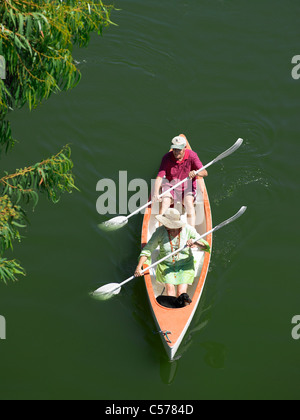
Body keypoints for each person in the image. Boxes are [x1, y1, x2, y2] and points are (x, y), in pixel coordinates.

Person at [134, 208, 210, 298]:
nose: (164, 225)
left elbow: (205, 247)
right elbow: (147, 250)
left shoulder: (188, 230)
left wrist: (195, 242)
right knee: (170, 291)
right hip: (166, 266)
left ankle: (182, 308)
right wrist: (138, 267)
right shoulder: (160, 231)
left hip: (185, 265)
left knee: (181, 293)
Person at [152, 135, 208, 228]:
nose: (176, 152)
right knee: (165, 201)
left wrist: (196, 173)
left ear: (185, 148)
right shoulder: (166, 158)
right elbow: (159, 177)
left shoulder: (192, 156)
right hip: (171, 185)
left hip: (187, 187)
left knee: (189, 202)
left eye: (179, 149)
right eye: (174, 149)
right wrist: (155, 193)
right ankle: (160, 230)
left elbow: (205, 172)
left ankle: (191, 233)